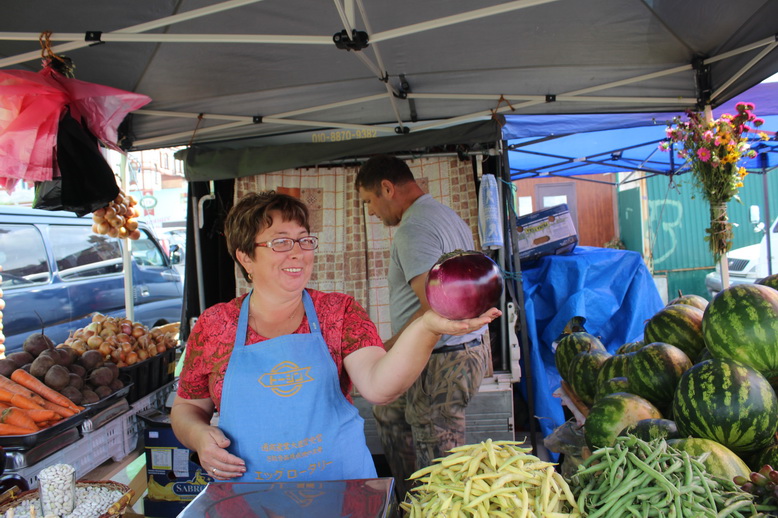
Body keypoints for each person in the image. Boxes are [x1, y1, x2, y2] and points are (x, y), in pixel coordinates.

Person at [170, 191, 500, 485]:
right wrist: (199, 436)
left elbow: (378, 385)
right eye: (281, 242)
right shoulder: (215, 325)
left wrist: (427, 328)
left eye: (304, 239)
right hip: (251, 497)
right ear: (245, 257)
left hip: (343, 491)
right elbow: (187, 408)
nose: (297, 252)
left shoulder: (337, 312)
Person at [355, 154, 493, 498]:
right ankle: (407, 501)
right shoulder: (444, 215)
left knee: (438, 464)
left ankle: (428, 505)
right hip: (460, 352)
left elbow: (435, 308)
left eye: (369, 201)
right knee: (387, 412)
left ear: (387, 189)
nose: (370, 211)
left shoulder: (414, 230)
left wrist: (387, 350)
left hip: (441, 360)